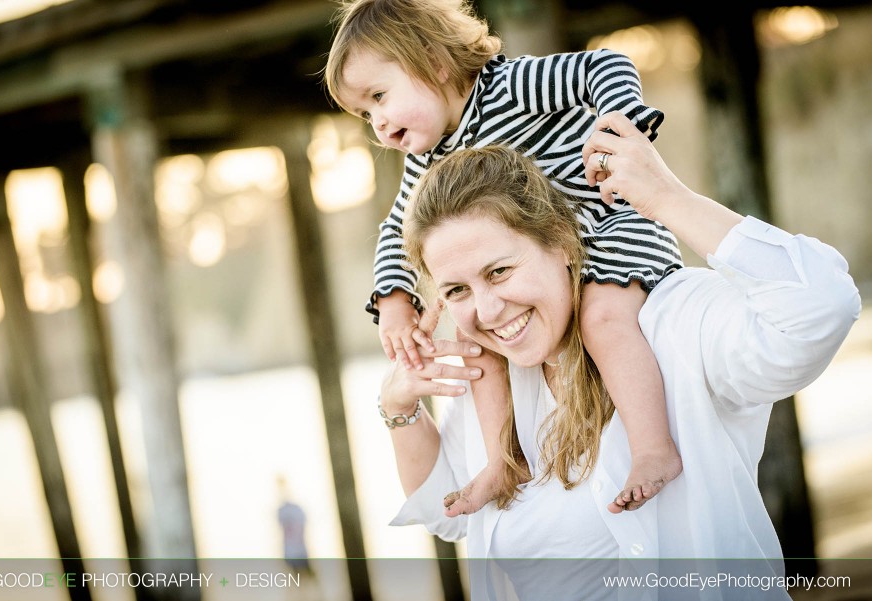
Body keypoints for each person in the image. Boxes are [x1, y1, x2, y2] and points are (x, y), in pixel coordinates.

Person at [376, 113, 860, 600]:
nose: (486, 309)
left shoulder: (670, 326)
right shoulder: (499, 383)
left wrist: (669, 199)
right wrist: (400, 410)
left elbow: (820, 309)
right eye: (457, 290)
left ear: (562, 244)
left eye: (500, 271)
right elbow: (446, 514)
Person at [325, 0, 683, 517]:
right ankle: (501, 460)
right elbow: (396, 228)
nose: (378, 123)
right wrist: (394, 300)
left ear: (435, 61)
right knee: (477, 338)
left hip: (609, 227)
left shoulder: (508, 87)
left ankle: (653, 449)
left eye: (380, 96)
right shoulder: (426, 158)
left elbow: (606, 66)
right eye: (365, 113)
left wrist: (615, 124)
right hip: (541, 265)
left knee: (603, 319)